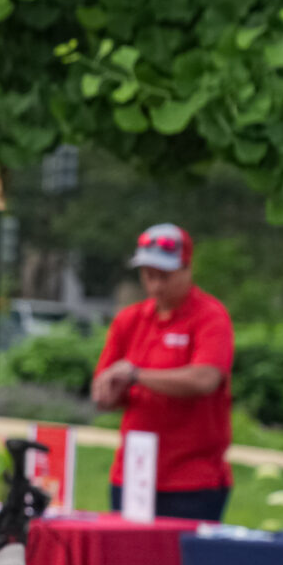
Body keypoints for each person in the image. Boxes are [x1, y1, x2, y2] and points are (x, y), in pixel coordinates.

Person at [89, 222, 235, 521]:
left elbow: (205, 379)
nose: (156, 285)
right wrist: (108, 392)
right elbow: (104, 388)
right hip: (133, 472)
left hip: (192, 480)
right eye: (148, 275)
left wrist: (136, 375)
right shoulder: (129, 320)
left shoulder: (210, 317)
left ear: (186, 269)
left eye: (164, 276)